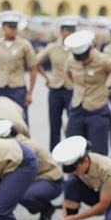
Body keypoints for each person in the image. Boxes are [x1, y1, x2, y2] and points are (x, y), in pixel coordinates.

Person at [64, 30, 111, 156]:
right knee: (73, 148)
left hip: (97, 110)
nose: (82, 62)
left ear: (90, 49)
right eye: (79, 59)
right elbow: (68, 74)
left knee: (98, 151)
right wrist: (79, 88)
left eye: (84, 58)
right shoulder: (71, 60)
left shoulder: (103, 60)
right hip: (76, 108)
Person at [0, 119, 63, 220]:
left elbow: (10, 175)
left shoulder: (22, 147)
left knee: (20, 193)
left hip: (52, 180)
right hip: (36, 178)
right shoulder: (13, 143)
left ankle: (46, 208)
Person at [52, 136, 111, 220]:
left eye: (76, 170)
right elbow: (68, 197)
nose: (74, 172)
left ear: (85, 161)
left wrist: (76, 218)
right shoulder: (77, 168)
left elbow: (103, 205)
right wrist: (65, 217)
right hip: (98, 191)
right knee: (71, 183)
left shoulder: (107, 169)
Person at [0, 11, 38, 124]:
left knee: (20, 121)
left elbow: (33, 67)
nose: (13, 29)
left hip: (17, 88)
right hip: (0, 87)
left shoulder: (24, 44)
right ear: (3, 27)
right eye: (10, 27)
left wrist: (30, 93)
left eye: (15, 27)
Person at [36, 15, 77, 150]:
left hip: (73, 90)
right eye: (68, 30)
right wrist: (46, 78)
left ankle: (71, 154)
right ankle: (54, 153)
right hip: (55, 89)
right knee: (55, 125)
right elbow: (35, 62)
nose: (71, 33)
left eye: (73, 30)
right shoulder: (52, 47)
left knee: (72, 125)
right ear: (62, 31)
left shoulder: (78, 47)